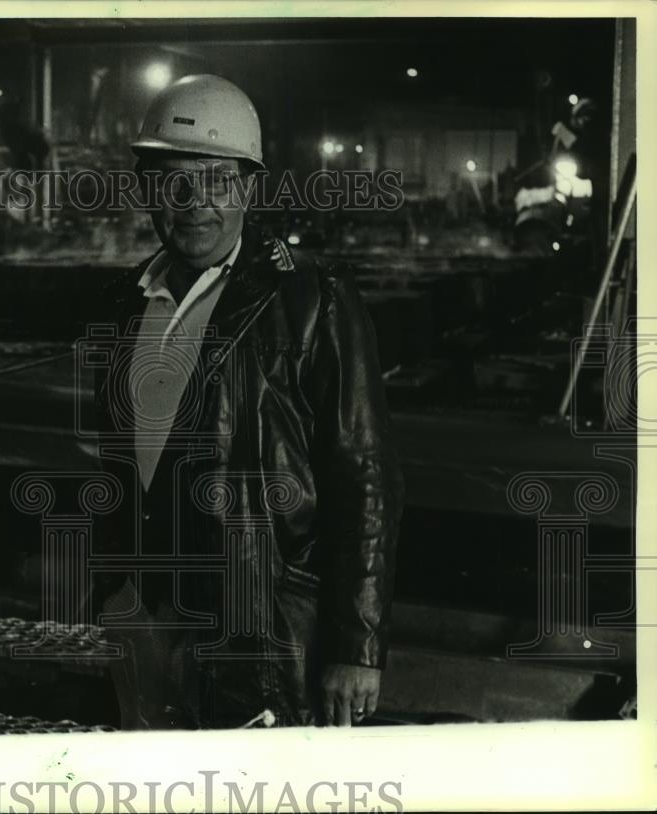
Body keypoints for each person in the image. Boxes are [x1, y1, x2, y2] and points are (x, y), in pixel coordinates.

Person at [90, 74, 404, 729]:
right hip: (145, 617)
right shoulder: (128, 304)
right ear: (148, 188)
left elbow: (364, 475)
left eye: (217, 179)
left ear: (249, 188)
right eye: (172, 180)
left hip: (259, 629)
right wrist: (111, 596)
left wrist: (357, 646)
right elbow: (121, 463)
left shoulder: (312, 302)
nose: (193, 202)